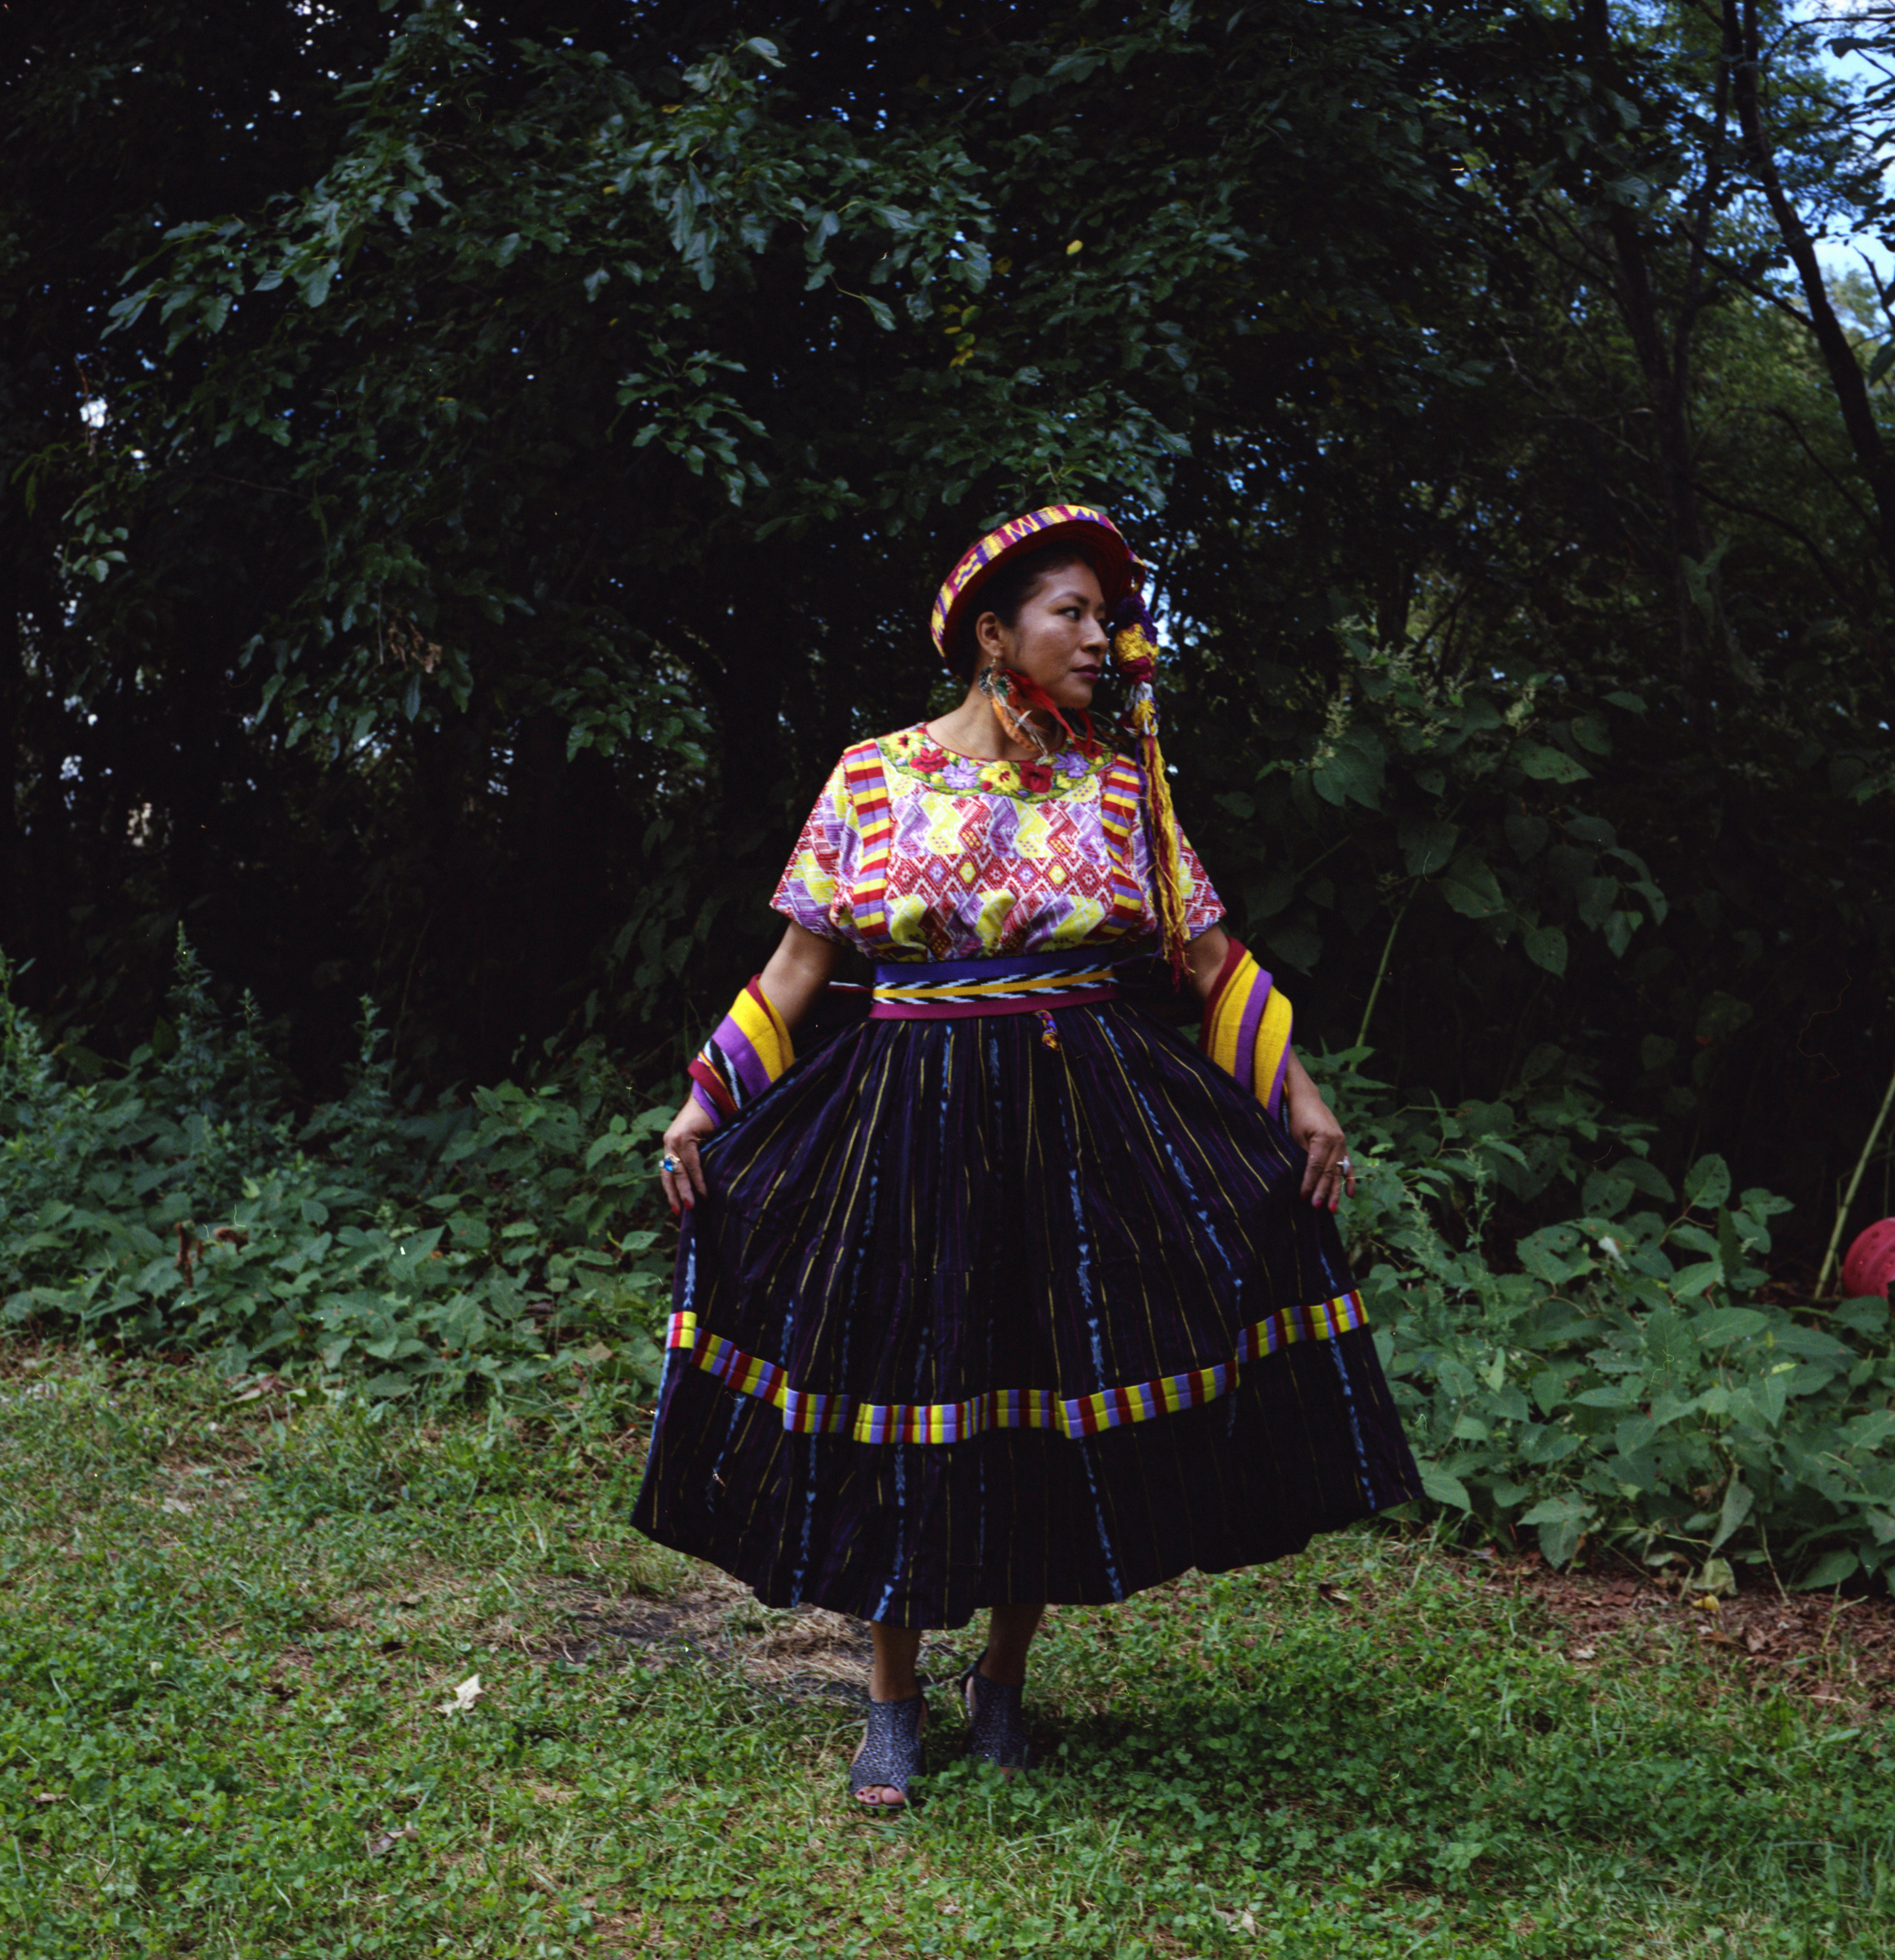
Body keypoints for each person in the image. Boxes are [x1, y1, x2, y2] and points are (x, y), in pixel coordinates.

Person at [631, 505, 1421, 1812]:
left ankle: (1000, 1679)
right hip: (905, 1124)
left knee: (1049, 1398)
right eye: (1072, 615)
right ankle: (889, 1701)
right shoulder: (870, 780)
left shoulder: (1122, 787)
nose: (1101, 640)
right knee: (898, 1385)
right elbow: (795, 968)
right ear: (993, 637)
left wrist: (1299, 1099)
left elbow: (1210, 963)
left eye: (1108, 619)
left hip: (1080, 1124)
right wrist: (706, 1100)